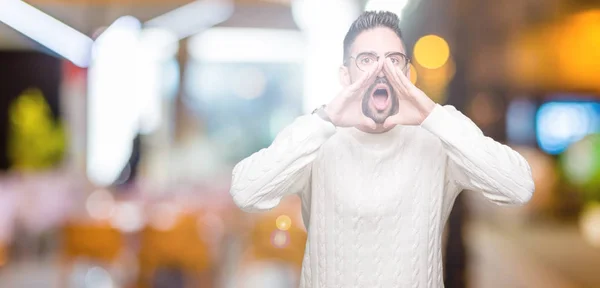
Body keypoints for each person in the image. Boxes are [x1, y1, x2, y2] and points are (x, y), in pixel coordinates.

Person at [229, 11, 534, 288]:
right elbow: (246, 191)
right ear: (345, 76)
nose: (381, 70)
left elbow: (518, 187)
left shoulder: (436, 139)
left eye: (393, 59)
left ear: (406, 73)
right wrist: (325, 119)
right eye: (366, 59)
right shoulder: (317, 139)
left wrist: (434, 116)